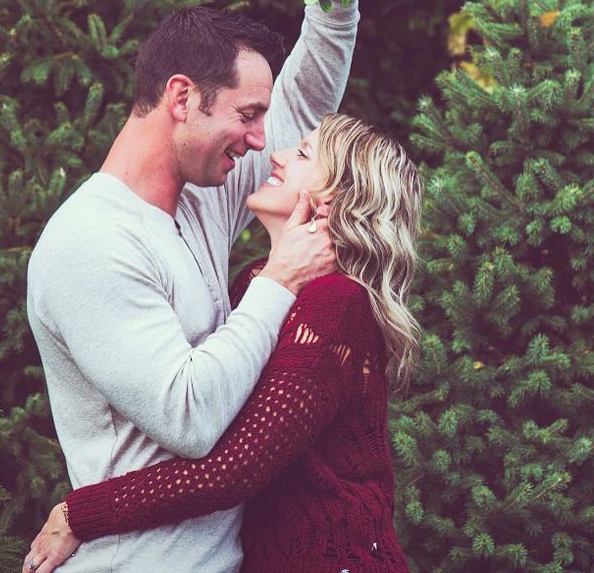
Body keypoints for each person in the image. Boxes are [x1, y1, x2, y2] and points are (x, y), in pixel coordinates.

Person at [25, 0, 398, 573]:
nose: (262, 141)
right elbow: (191, 419)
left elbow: (307, 101)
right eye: (247, 116)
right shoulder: (89, 244)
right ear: (181, 98)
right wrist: (280, 278)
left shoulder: (204, 197)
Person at [26, 114, 422, 572]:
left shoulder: (335, 304)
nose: (275, 154)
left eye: (303, 153)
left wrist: (80, 513)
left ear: (333, 198)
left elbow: (232, 469)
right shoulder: (260, 283)